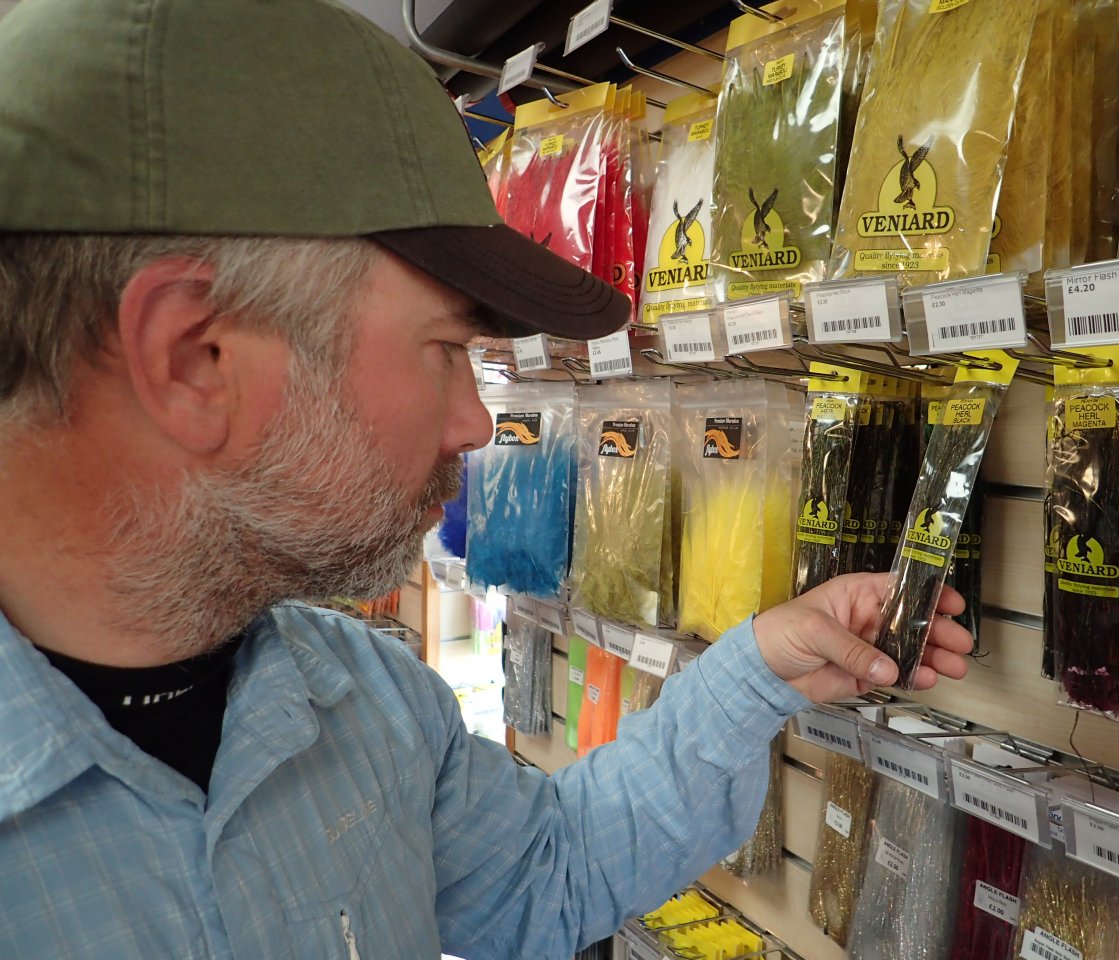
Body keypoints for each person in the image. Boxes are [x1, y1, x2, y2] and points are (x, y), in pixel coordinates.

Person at [0, 1, 972, 957]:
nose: (473, 421)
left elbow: (548, 870)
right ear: (193, 358)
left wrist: (755, 668)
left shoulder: (362, 700)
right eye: (443, 349)